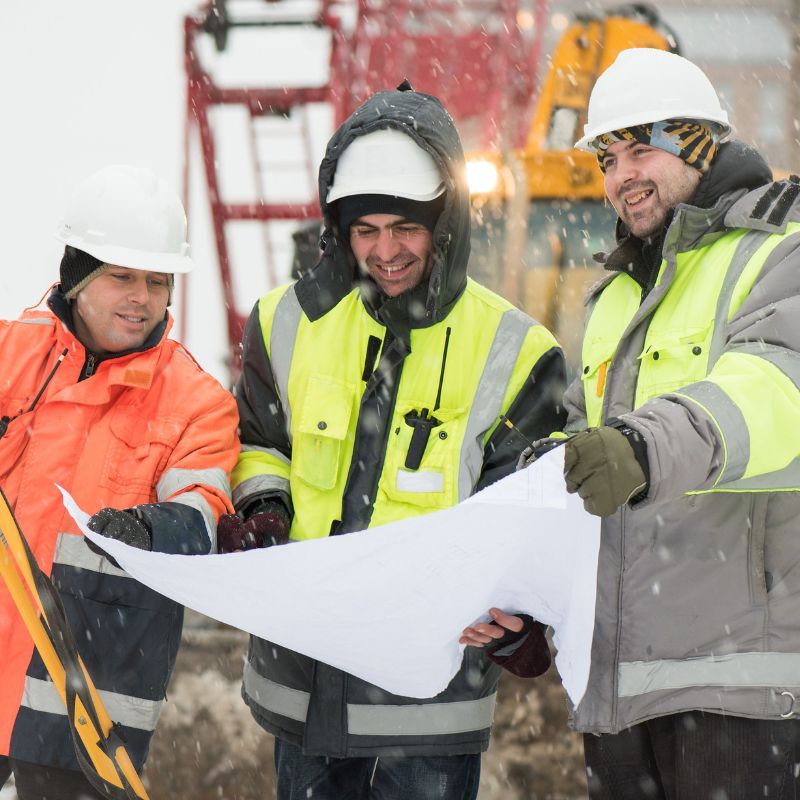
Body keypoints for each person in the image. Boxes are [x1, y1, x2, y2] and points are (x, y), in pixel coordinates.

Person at [465, 47, 800, 799]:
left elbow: (775, 390)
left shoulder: (783, 252)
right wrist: (537, 620)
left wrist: (643, 447)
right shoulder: (612, 297)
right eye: (608, 158)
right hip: (619, 697)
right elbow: (601, 499)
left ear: (700, 143)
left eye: (641, 147)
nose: (621, 177)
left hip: (740, 690)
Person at [219, 83, 566, 800]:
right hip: (307, 677)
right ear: (338, 227)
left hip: (430, 695)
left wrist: (522, 619)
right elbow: (260, 443)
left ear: (445, 223)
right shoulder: (283, 321)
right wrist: (264, 512)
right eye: (365, 230)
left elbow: (533, 515)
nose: (385, 251)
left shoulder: (516, 348)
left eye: (404, 228)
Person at [0, 165, 240, 800]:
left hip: (83, 700)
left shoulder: (198, 401)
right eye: (123, 276)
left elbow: (204, 512)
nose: (142, 297)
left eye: (158, 281)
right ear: (77, 277)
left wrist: (151, 527)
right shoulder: (7, 353)